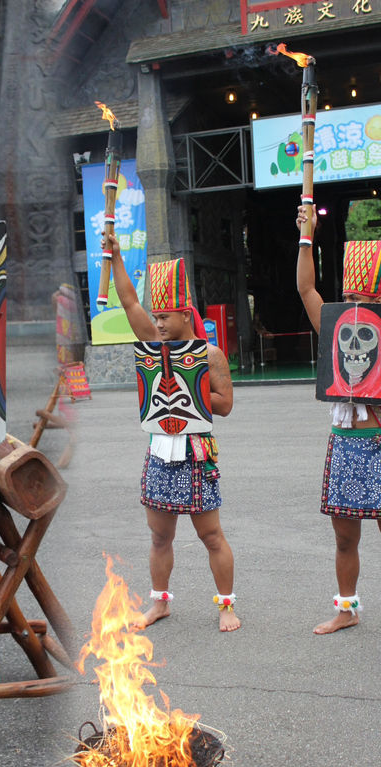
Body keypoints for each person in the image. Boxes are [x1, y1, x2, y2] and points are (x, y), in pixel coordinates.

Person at [105, 233, 241, 632]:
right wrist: (114, 259)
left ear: (185, 314)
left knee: (212, 536)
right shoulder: (154, 349)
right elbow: (130, 303)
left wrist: (190, 391)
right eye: (157, 317)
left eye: (166, 316)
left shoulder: (210, 354)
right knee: (159, 538)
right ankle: (160, 603)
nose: (159, 323)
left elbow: (226, 404)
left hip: (196, 453)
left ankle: (226, 606)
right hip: (160, 452)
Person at [296, 204, 381, 634]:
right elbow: (307, 288)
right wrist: (306, 237)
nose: (356, 305)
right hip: (345, 443)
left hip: (380, 443)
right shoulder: (336, 326)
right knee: (345, 538)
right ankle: (347, 610)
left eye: (367, 300)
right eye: (351, 298)